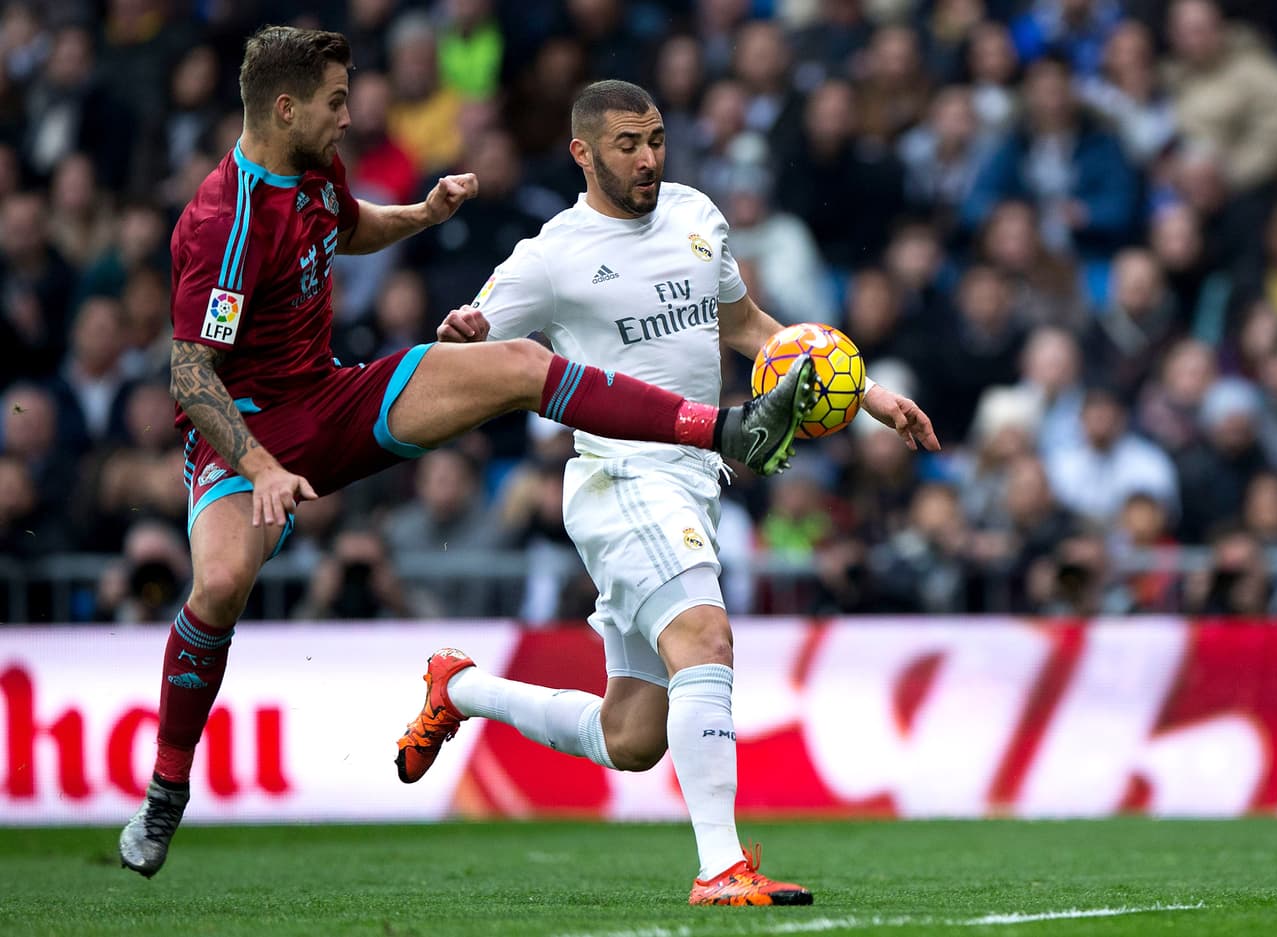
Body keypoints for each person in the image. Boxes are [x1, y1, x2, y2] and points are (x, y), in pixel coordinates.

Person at [118, 29, 823, 880]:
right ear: (285, 107)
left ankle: (719, 428)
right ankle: (166, 789)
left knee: (525, 366)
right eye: (337, 103)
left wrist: (417, 216)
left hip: (335, 397)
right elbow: (191, 372)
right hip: (247, 429)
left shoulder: (313, 171)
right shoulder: (220, 222)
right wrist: (262, 465)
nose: (350, 118)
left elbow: (346, 228)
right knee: (222, 585)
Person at [397, 80, 939, 907]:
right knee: (707, 639)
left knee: (632, 737)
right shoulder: (553, 254)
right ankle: (721, 867)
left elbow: (751, 326)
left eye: (654, 139)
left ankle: (458, 687)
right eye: (626, 144)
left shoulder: (695, 214)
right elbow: (463, 344)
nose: (647, 157)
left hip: (695, 479)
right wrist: (464, 332)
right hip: (621, 477)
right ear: (583, 153)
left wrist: (867, 395)